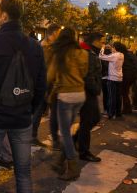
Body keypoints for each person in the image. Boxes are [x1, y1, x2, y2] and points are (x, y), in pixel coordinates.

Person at [0, 0, 47, 193]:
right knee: (23, 171)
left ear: (4, 15)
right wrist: (30, 110)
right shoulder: (35, 46)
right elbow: (42, 85)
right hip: (22, 118)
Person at [47, 27, 88, 181]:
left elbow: (50, 75)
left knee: (65, 134)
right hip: (80, 95)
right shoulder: (83, 53)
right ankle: (60, 162)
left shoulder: (59, 54)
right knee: (68, 132)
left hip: (65, 96)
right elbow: (83, 73)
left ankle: (72, 167)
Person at [74, 32, 103, 163]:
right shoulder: (89, 54)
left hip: (85, 91)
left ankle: (76, 140)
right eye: (100, 41)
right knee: (89, 119)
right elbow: (88, 76)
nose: (102, 44)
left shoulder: (88, 52)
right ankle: (83, 151)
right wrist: (96, 89)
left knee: (92, 118)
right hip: (87, 92)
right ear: (94, 42)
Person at [33, 23, 61, 148]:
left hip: (47, 84)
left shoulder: (46, 46)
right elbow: (46, 68)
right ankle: (34, 136)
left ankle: (33, 136)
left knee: (43, 111)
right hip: (47, 84)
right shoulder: (46, 47)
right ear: (53, 33)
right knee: (44, 111)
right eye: (58, 33)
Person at [99, 42, 125, 119]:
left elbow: (101, 56)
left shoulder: (114, 56)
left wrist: (102, 48)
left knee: (111, 97)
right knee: (118, 96)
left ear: (115, 48)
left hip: (112, 78)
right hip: (119, 78)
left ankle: (111, 113)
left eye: (113, 47)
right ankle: (118, 113)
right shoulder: (121, 55)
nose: (112, 48)